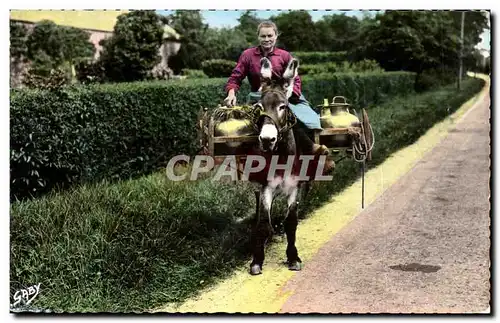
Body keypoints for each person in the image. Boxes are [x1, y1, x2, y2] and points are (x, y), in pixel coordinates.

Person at [223, 20, 330, 158]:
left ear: (276, 36)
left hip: (285, 95)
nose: (266, 39)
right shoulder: (248, 55)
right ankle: (247, 155)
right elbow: (235, 77)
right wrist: (231, 93)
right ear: (258, 37)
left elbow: (295, 79)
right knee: (246, 122)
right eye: (263, 36)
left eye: (270, 36)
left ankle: (309, 146)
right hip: (260, 96)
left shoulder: (284, 55)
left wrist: (291, 93)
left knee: (295, 117)